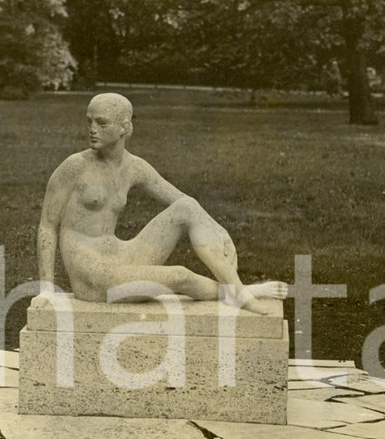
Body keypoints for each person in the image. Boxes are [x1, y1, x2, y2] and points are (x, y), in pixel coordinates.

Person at [34, 93, 288, 316]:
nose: (92, 129)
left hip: (121, 256)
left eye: (101, 123)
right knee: (180, 275)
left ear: (124, 128)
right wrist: (46, 289)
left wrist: (218, 229)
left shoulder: (134, 167)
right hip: (92, 277)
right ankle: (242, 293)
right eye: (89, 121)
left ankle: (238, 289)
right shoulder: (74, 167)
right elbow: (47, 226)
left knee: (187, 207)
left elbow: (182, 201)